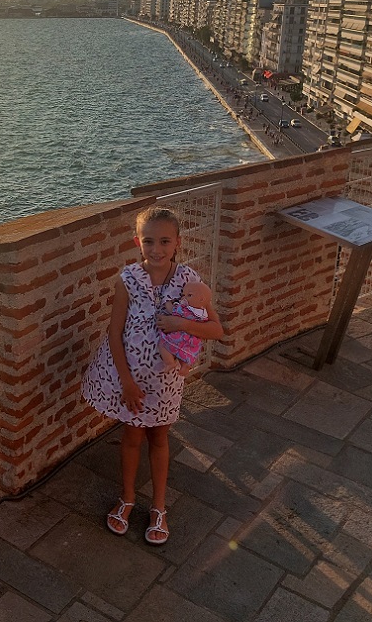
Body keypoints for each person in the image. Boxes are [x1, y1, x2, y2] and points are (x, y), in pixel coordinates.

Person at [81, 206, 224, 545]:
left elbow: (215, 329)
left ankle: (159, 506)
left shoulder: (190, 281)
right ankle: (127, 498)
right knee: (131, 438)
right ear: (137, 242)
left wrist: (182, 324)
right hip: (132, 379)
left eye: (164, 241)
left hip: (166, 381)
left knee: (159, 439)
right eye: (149, 241)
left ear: (177, 242)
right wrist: (127, 383)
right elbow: (114, 334)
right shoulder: (127, 280)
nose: (156, 249)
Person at [156, 279, 212, 377]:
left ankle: (169, 362)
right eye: (183, 295)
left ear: (201, 299)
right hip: (193, 341)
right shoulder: (202, 314)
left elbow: (171, 310)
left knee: (163, 344)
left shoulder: (185, 310)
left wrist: (167, 302)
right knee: (185, 353)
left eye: (189, 295)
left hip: (179, 337)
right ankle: (185, 366)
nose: (184, 298)